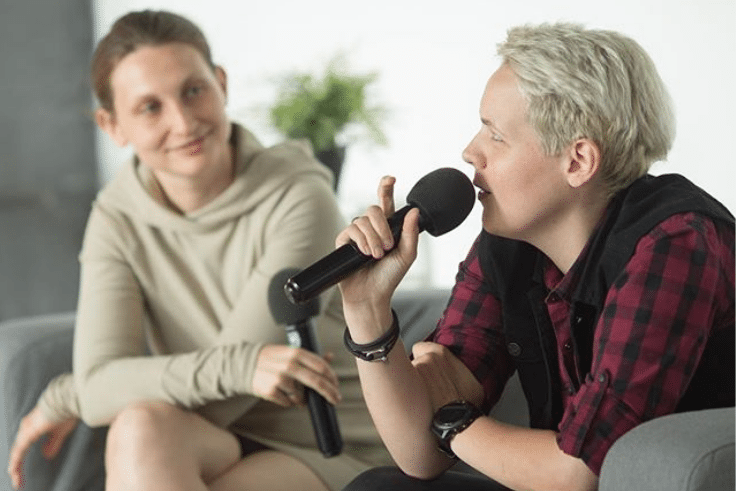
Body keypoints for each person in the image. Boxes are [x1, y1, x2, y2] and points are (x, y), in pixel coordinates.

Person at [336, 23, 734, 491]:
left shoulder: (676, 243)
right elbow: (419, 456)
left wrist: (454, 424)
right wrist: (366, 310)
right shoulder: (511, 240)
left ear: (578, 160)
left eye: (495, 136)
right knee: (382, 487)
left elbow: (580, 472)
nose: (470, 152)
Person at [6, 10, 391, 491]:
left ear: (221, 83)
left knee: (141, 431)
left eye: (193, 90)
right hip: (207, 438)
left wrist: (75, 394)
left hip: (330, 444)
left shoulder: (298, 195)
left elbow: (219, 397)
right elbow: (230, 371)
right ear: (112, 125)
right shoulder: (115, 217)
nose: (184, 122)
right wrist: (95, 389)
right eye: (150, 107)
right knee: (140, 427)